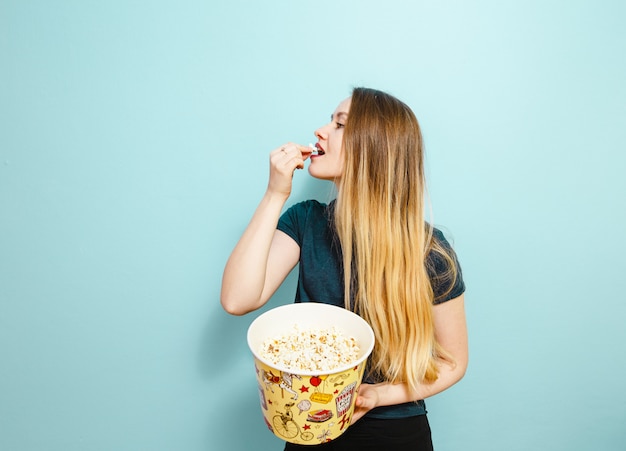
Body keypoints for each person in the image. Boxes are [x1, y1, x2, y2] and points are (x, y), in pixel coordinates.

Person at [221, 87, 468, 450]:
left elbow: (454, 362)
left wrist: (378, 396)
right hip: (308, 424)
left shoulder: (429, 251)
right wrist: (275, 193)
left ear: (373, 147)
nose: (320, 131)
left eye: (339, 124)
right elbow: (237, 299)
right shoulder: (306, 222)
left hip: (397, 434)